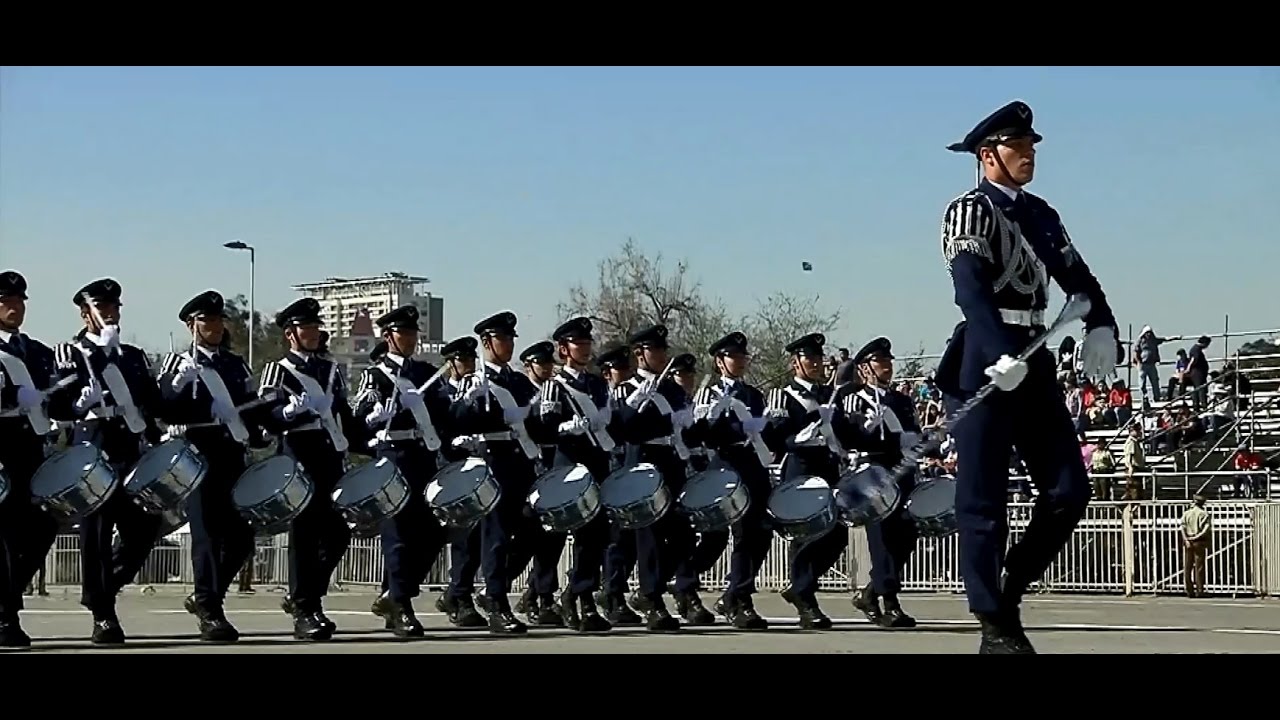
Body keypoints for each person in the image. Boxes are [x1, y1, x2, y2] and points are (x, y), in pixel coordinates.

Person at [935, 100, 1120, 653]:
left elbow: (1076, 274)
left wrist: (1102, 323)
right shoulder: (969, 210)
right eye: (1019, 147)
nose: (1030, 154)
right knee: (983, 500)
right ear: (988, 156)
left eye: (1032, 146)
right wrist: (996, 351)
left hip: (1035, 352)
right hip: (984, 357)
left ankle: (1008, 590)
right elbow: (969, 286)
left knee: (1069, 490)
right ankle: (992, 622)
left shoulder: (1041, 213)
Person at [52, 278, 166, 645]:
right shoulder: (70, 354)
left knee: (145, 529)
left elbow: (153, 402)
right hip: (93, 452)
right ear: (86, 315)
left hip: (130, 452)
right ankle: (103, 615)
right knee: (96, 536)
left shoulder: (131, 354)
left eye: (115, 308)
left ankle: (102, 589)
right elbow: (55, 405)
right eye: (102, 309)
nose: (111, 314)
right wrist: (78, 404)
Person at [156, 290, 271, 642]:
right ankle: (210, 610)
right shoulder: (178, 364)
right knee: (206, 536)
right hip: (198, 457)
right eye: (208, 320)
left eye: (220, 320)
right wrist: (178, 387)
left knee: (241, 538)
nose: (216, 326)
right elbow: (163, 409)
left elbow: (250, 408)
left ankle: (208, 596)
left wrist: (262, 427)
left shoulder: (234, 365)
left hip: (232, 456)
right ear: (192, 326)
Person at [259, 297, 368, 641]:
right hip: (300, 460)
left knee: (339, 533)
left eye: (315, 326)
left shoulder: (328, 370)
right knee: (305, 536)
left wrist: (372, 439)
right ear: (291, 334)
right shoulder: (278, 371)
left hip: (331, 458)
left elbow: (345, 419)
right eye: (306, 327)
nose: (313, 332)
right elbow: (266, 420)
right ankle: (306, 609)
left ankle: (304, 596)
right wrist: (288, 412)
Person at [353, 305, 456, 637]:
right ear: (388, 336)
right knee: (398, 533)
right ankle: (401, 606)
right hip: (393, 455)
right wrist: (379, 414)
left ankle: (394, 593)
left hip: (423, 455)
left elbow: (446, 409)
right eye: (404, 333)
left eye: (413, 333)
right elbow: (361, 413)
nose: (410, 339)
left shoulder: (426, 372)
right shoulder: (377, 374)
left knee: (433, 530)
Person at [449, 311, 542, 635]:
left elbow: (537, 421)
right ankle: (496, 602)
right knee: (496, 536)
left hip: (520, 462)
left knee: (531, 527)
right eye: (503, 339)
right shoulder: (476, 381)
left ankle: (494, 587)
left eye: (510, 339)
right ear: (487, 343)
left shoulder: (517, 381)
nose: (509, 345)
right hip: (493, 461)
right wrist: (477, 407)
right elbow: (456, 418)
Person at [520, 317, 616, 631]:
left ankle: (582, 595)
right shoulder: (554, 385)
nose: (585, 349)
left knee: (594, 535)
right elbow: (541, 426)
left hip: (595, 463)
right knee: (555, 534)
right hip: (566, 464)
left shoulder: (598, 384)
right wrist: (564, 427)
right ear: (564, 348)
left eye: (588, 344)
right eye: (579, 344)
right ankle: (543, 592)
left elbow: (608, 419)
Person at [610, 324, 694, 632]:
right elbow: (622, 430)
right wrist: (634, 406)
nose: (661, 355)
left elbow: (688, 429)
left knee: (682, 534)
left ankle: (654, 585)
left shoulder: (672, 389)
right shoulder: (626, 389)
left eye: (662, 350)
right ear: (639, 354)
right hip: (642, 463)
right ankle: (652, 598)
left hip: (670, 462)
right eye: (654, 350)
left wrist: (688, 423)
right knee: (648, 537)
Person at [841, 336, 924, 628]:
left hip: (902, 472)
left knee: (907, 534)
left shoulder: (900, 399)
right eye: (880, 361)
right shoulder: (855, 397)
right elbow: (853, 437)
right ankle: (889, 602)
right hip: (874, 474)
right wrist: (892, 438)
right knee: (884, 538)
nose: (887, 366)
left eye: (888, 361)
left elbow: (914, 431)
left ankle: (871, 591)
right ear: (865, 367)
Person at [693, 331, 774, 630]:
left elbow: (768, 431)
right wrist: (718, 421)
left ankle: (738, 593)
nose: (739, 361)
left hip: (752, 465)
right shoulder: (709, 393)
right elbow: (702, 434)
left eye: (742, 357)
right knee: (724, 534)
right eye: (733, 356)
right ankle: (689, 581)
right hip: (725, 463)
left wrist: (765, 427)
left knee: (758, 532)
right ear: (719, 361)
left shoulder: (753, 395)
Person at [0, 270, 60, 648]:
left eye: (19, 301)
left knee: (41, 529)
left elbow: (58, 398)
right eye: (7, 301)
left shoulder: (36, 352)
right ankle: (6, 618)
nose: (14, 307)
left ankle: (4, 598)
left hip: (31, 452)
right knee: (3, 535)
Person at [510, 339, 569, 627]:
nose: (547, 369)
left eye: (549, 364)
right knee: (528, 535)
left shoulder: (558, 389)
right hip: (528, 463)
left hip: (552, 462)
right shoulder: (519, 389)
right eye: (541, 364)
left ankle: (541, 594)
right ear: (528, 365)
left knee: (552, 535)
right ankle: (506, 586)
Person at [433, 336, 489, 628]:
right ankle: (460, 597)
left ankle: (456, 592)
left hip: (479, 468)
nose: (467, 366)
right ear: (451, 364)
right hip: (452, 469)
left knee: (479, 538)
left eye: (470, 360)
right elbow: (437, 427)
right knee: (464, 539)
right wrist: (453, 442)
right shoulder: (441, 394)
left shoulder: (481, 391)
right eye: (462, 361)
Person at [668, 351, 725, 625]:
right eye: (681, 374)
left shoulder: (694, 402)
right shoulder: (666, 404)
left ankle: (681, 577)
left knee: (717, 534)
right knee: (682, 538)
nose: (687, 379)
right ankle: (685, 590)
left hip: (699, 475)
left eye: (690, 375)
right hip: (676, 476)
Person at [592, 344, 643, 626]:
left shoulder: (629, 396)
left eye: (626, 369)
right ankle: (612, 596)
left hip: (626, 470)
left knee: (630, 539)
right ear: (606, 373)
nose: (623, 375)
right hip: (610, 471)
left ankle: (614, 589)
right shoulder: (603, 399)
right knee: (615, 540)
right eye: (618, 370)